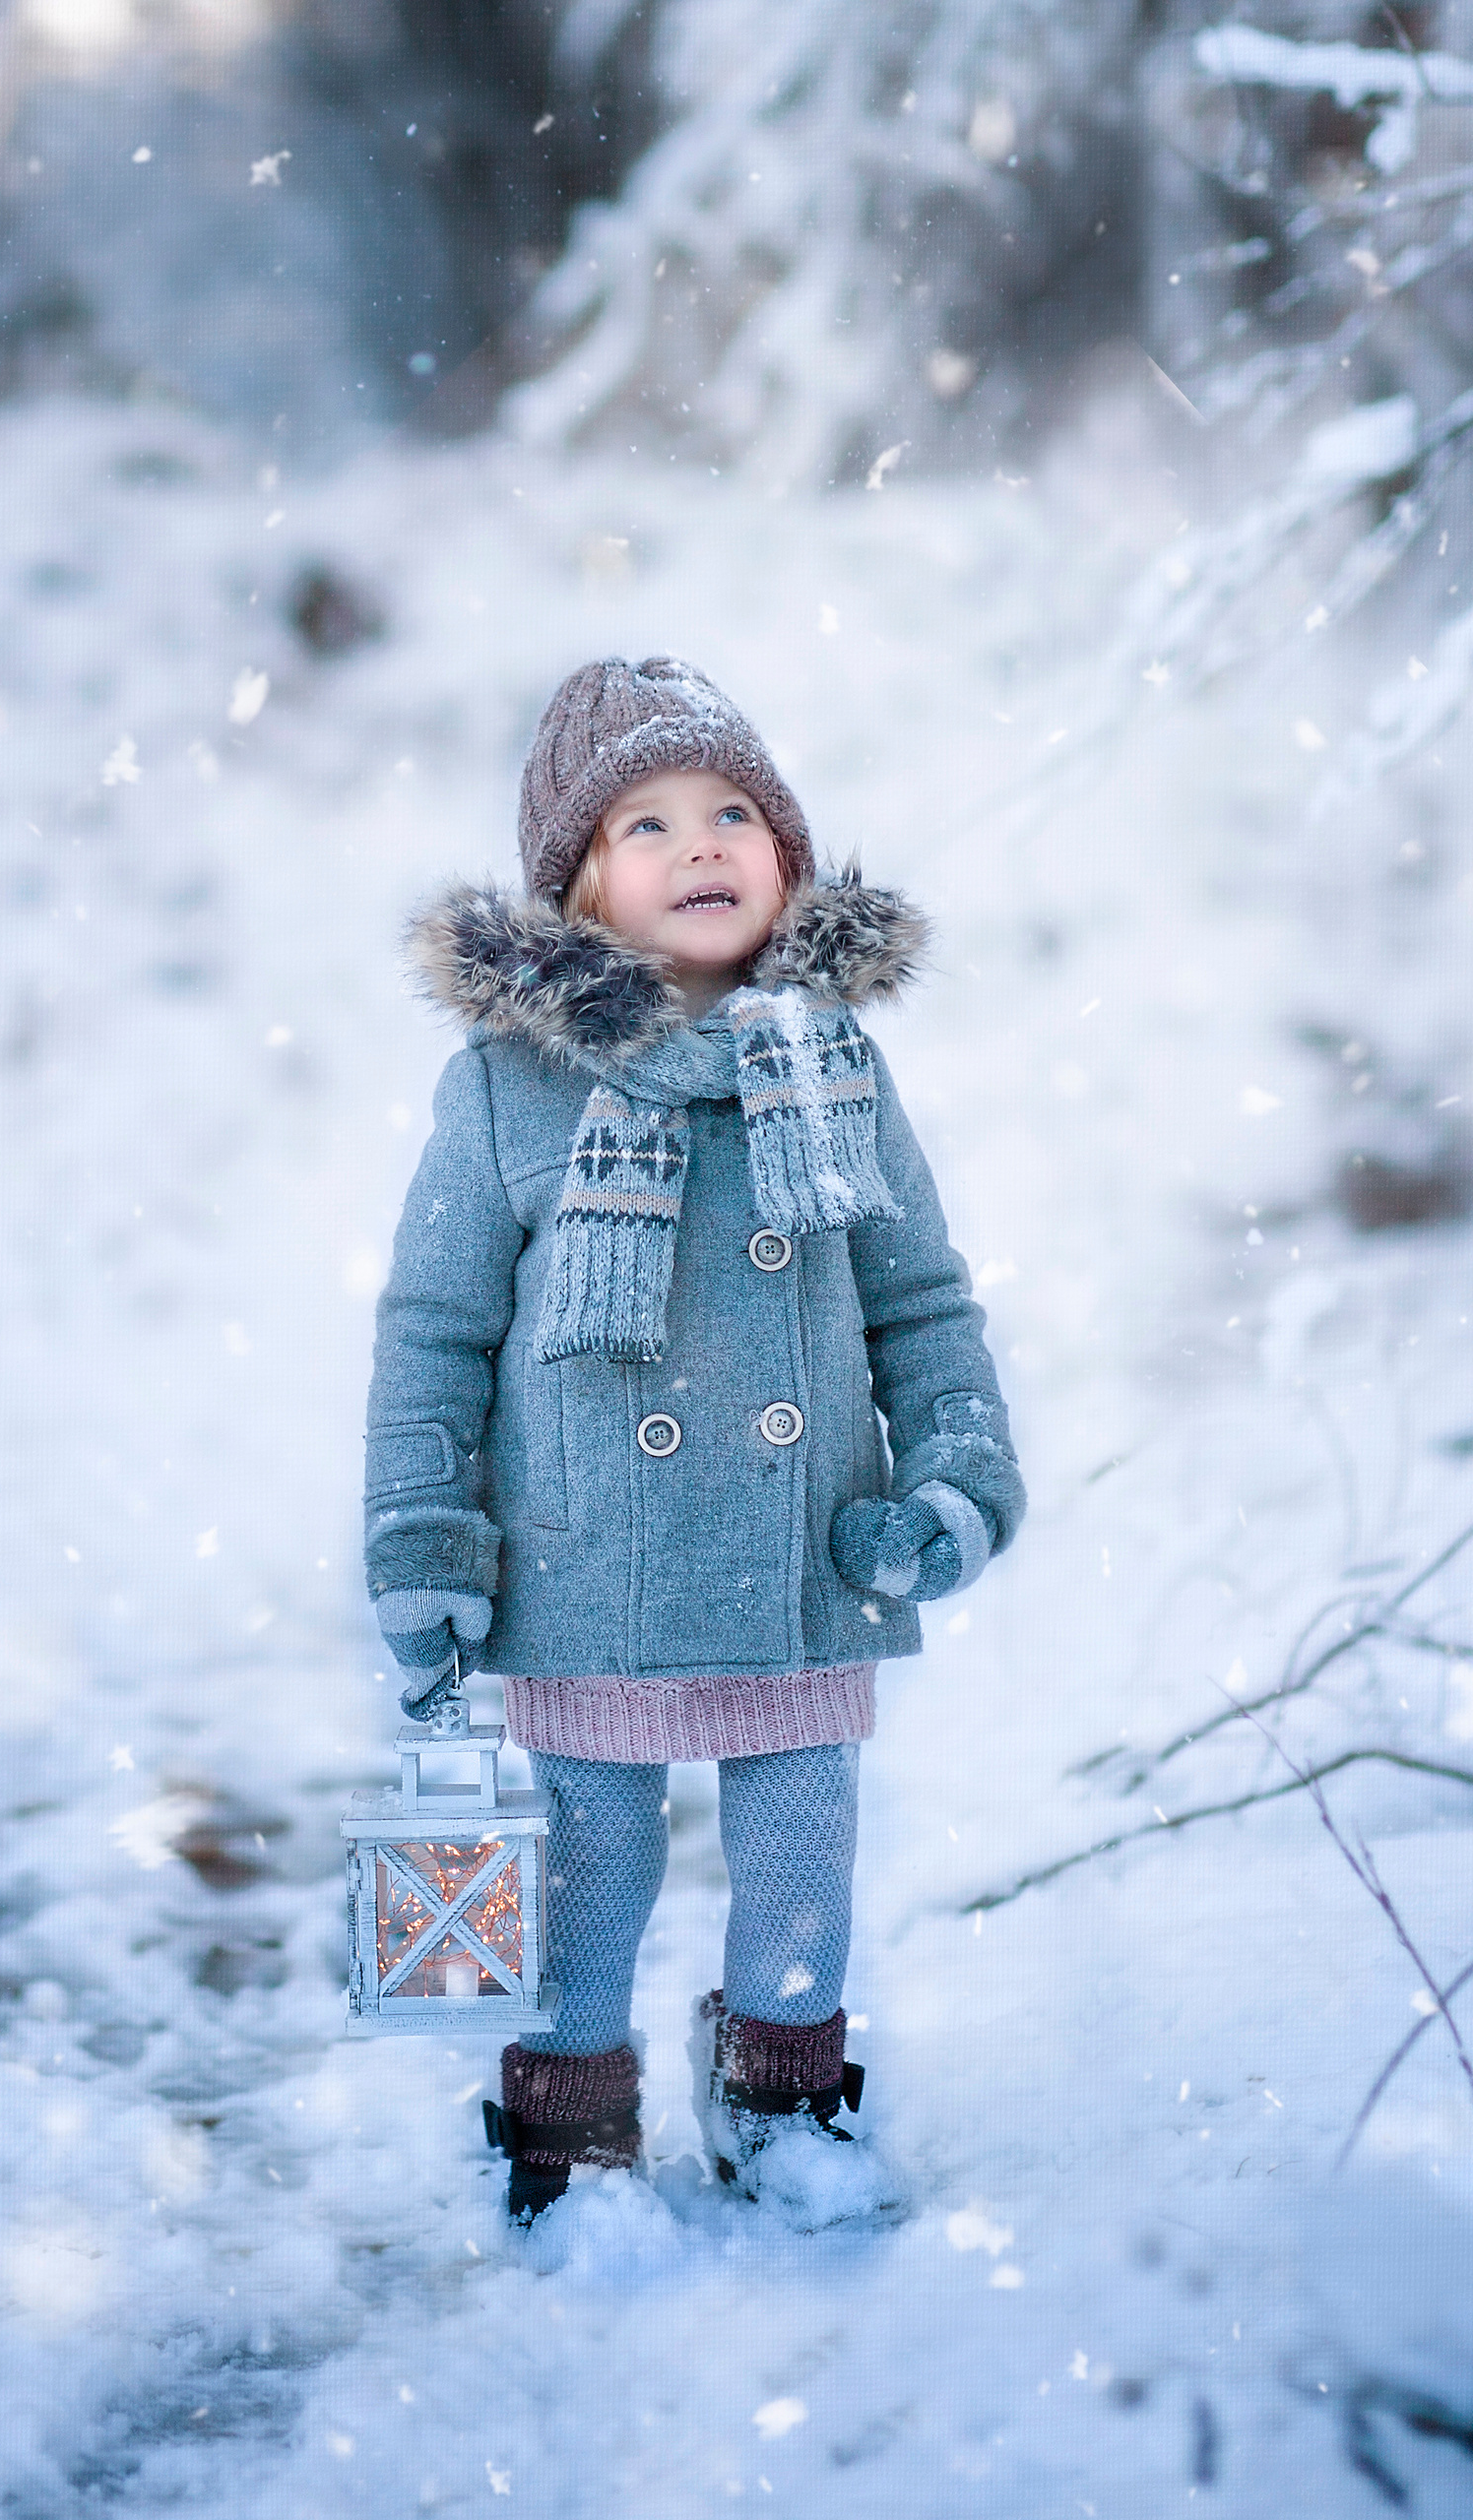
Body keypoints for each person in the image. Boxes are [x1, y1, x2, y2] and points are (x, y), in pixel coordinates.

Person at [363, 657, 1023, 2228]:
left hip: (808, 1550)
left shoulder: (835, 1068)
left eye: (736, 810)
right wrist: (424, 1532)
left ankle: (788, 2104)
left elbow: (923, 1303)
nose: (704, 842)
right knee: (595, 1872)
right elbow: (435, 1331)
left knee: (800, 1859)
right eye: (648, 822)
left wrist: (957, 1474)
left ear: (786, 853)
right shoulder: (508, 1090)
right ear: (582, 887)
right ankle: (570, 2129)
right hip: (590, 1559)